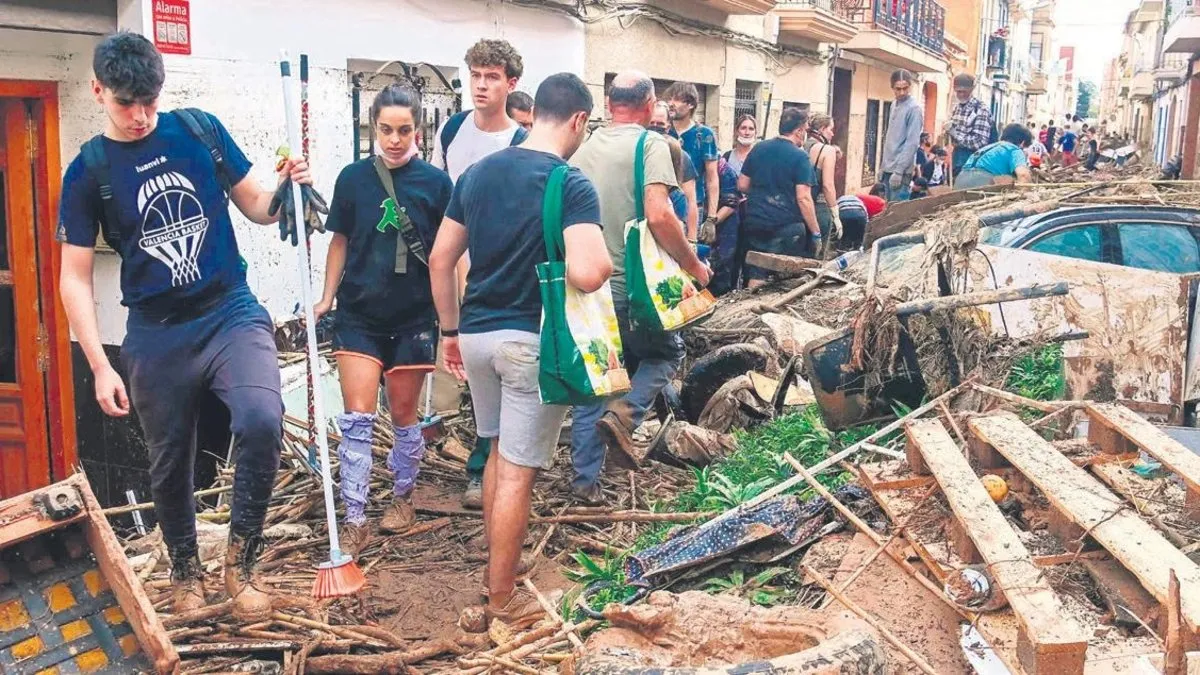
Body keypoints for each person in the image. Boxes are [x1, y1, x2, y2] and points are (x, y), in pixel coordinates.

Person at [57, 32, 313, 619]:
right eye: (127, 103)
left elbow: (256, 204)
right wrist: (99, 363)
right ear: (98, 91)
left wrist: (289, 188)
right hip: (155, 328)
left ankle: (240, 565)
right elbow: (73, 277)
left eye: (150, 101)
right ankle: (185, 570)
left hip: (229, 309)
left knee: (260, 418)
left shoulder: (199, 130)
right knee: (170, 461)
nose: (142, 116)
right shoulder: (88, 171)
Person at [429, 72, 611, 627]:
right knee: (515, 473)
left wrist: (450, 331)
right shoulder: (570, 183)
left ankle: (497, 568)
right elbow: (589, 270)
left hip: (478, 336)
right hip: (529, 342)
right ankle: (502, 599)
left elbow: (441, 259)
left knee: (495, 453)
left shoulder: (478, 174)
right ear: (578, 120)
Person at [314, 85, 453, 557]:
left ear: (419, 129)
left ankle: (402, 496)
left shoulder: (436, 185)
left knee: (403, 415)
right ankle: (354, 516)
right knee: (356, 418)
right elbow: (340, 241)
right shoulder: (353, 179)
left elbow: (450, 253)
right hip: (358, 313)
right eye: (386, 130)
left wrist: (454, 314)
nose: (395, 140)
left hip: (414, 316)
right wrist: (326, 297)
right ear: (373, 128)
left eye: (405, 130)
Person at [568, 71, 709, 503]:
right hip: (633, 290)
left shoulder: (581, 150)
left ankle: (584, 484)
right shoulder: (650, 146)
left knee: (598, 379)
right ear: (649, 106)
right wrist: (693, 265)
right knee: (668, 353)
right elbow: (660, 215)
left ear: (609, 105)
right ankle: (625, 414)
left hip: (588, 287)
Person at [432, 40, 531, 509]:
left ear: (511, 85)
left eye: (492, 77)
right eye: (475, 75)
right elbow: (437, 195)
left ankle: (485, 471)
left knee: (493, 374)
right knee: (458, 370)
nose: (481, 85)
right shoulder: (451, 131)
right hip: (452, 263)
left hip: (498, 273)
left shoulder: (519, 143)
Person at [738, 107, 820, 286]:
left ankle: (752, 310)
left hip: (756, 223)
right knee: (785, 279)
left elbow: (742, 184)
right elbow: (804, 198)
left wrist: (762, 192)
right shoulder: (800, 157)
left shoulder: (759, 148)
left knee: (757, 274)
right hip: (786, 228)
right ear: (798, 131)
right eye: (805, 130)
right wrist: (815, 232)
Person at [664, 81, 719, 236]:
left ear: (690, 105)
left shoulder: (704, 135)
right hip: (664, 202)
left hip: (693, 204)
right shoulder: (663, 131)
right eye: (670, 99)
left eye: (676, 99)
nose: (671, 104)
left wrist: (711, 218)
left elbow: (712, 177)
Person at [880, 69, 924, 201]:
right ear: (892, 87)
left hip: (901, 171)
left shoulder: (914, 108)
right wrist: (883, 166)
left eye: (905, 88)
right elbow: (891, 138)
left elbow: (912, 143)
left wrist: (899, 171)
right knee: (888, 211)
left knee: (897, 214)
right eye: (898, 89)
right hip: (888, 168)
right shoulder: (894, 104)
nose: (902, 92)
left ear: (910, 86)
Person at [804, 114, 842, 256]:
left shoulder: (800, 146)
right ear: (821, 129)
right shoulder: (827, 150)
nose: (832, 134)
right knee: (817, 258)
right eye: (831, 129)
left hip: (797, 209)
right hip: (818, 208)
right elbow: (827, 185)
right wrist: (835, 214)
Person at [953, 123, 1034, 189]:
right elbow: (1023, 176)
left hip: (959, 181)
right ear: (1022, 143)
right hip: (981, 184)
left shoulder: (989, 147)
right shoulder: (1014, 149)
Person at [946, 73, 993, 179]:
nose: (961, 95)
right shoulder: (956, 109)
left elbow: (980, 142)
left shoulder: (981, 110)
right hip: (957, 159)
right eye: (958, 91)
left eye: (964, 92)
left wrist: (955, 134)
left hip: (974, 162)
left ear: (971, 90)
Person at [836, 183, 887, 249]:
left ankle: (843, 248)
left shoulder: (858, 198)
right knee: (859, 240)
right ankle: (857, 249)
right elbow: (868, 217)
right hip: (860, 215)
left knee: (845, 237)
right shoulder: (882, 203)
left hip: (844, 213)